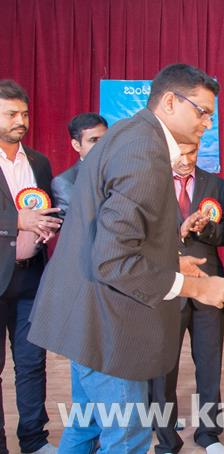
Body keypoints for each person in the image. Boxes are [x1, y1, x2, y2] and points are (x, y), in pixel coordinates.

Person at [27, 63, 224, 454]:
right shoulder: (144, 152)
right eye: (202, 112)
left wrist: (171, 263)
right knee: (128, 438)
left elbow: (118, 236)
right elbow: (113, 260)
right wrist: (194, 288)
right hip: (108, 327)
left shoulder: (129, 132)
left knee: (86, 429)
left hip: (86, 317)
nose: (208, 123)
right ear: (170, 102)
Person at [149, 141, 224, 454]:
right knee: (163, 369)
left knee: (210, 363)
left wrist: (206, 229)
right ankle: (166, 439)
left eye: (192, 152)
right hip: (167, 286)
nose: (186, 160)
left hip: (208, 286)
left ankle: (209, 432)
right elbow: (143, 235)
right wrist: (179, 232)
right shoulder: (151, 183)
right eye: (179, 153)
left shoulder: (216, 185)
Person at [0, 79, 61, 454]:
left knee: (32, 362)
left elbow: (45, 208)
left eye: (24, 113)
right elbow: (19, 217)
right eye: (11, 114)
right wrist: (15, 222)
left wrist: (49, 225)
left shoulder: (38, 161)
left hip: (32, 276)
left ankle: (34, 439)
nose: (20, 121)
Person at [51, 113, 108, 219]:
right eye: (94, 140)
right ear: (76, 145)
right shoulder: (65, 182)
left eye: (105, 139)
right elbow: (77, 222)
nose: (102, 145)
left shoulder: (123, 170)